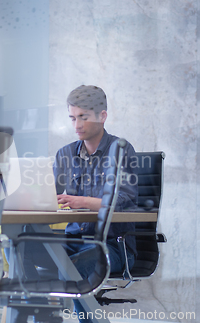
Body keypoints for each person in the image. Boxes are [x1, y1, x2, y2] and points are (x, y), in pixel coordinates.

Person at [53, 85, 138, 323]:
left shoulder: (121, 150)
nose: (77, 125)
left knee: (76, 266)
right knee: (20, 249)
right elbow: (48, 195)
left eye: (83, 117)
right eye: (72, 118)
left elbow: (124, 200)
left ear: (102, 116)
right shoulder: (65, 154)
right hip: (74, 241)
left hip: (112, 246)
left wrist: (80, 201)